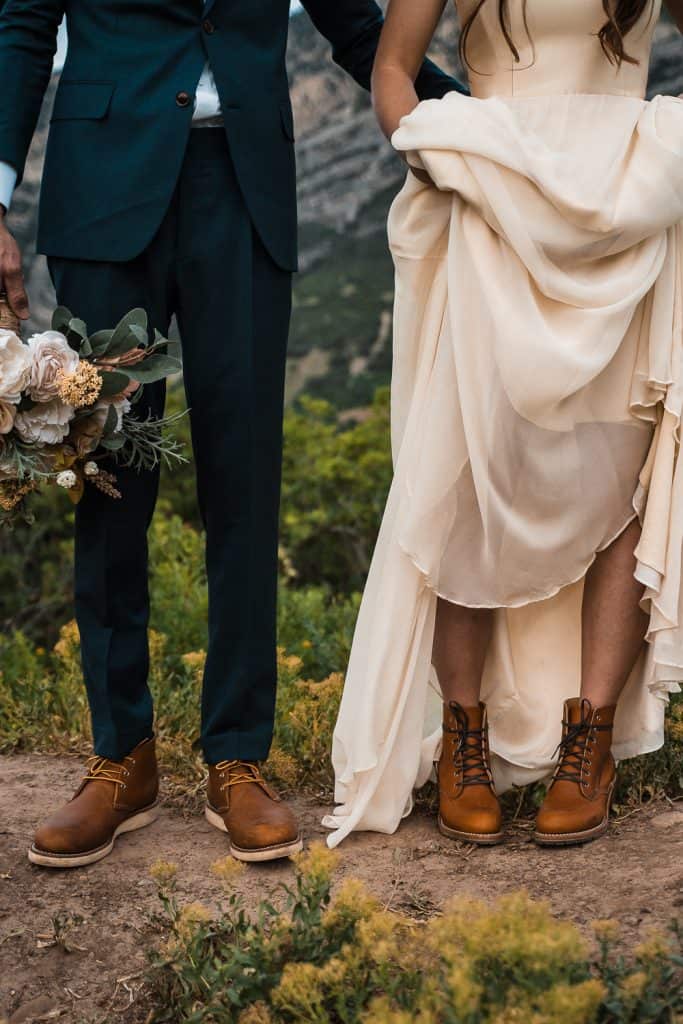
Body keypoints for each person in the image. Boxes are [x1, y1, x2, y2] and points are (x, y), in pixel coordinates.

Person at [0, 0, 465, 868]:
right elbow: (23, 23)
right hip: (104, 185)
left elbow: (360, 32)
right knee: (106, 476)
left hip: (242, 192)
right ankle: (120, 758)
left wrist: (484, 131)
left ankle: (237, 756)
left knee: (243, 480)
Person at [324, 0, 683, 849]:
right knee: (475, 470)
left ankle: (585, 745)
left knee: (623, 470)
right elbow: (390, 72)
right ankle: (463, 738)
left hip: (625, 205)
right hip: (499, 203)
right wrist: (438, 162)